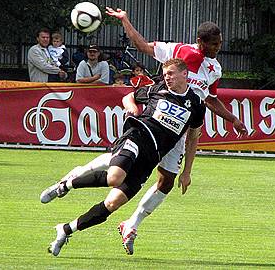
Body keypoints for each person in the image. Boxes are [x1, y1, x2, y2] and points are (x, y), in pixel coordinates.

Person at [103, 7, 248, 255]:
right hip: (155, 122)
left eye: (220, 43)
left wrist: (233, 119)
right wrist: (125, 20)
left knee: (167, 181)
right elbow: (143, 47)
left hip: (179, 131)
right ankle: (79, 183)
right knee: (128, 169)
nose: (218, 48)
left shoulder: (215, 69)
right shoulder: (179, 51)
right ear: (201, 41)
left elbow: (211, 99)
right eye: (214, 44)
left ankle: (131, 224)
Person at [40, 58, 207, 257]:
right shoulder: (157, 89)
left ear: (184, 74)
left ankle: (66, 230)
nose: (167, 78)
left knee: (112, 204)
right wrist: (132, 107)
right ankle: (64, 186)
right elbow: (129, 97)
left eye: (171, 74)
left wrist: (187, 172)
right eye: (165, 74)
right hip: (137, 136)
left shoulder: (196, 105)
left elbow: (193, 137)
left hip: (152, 157)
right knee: (114, 178)